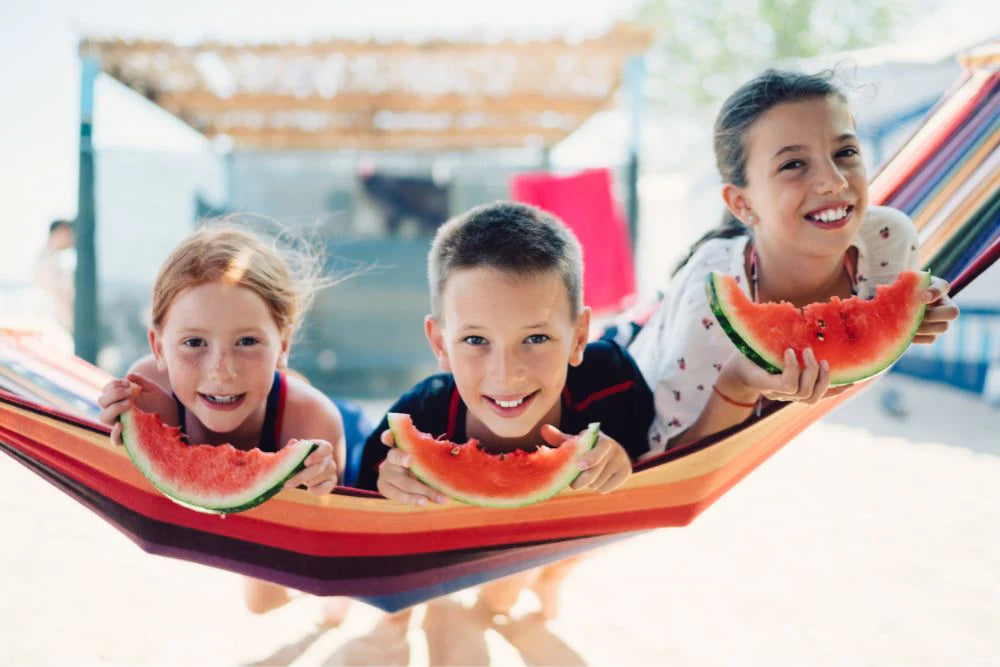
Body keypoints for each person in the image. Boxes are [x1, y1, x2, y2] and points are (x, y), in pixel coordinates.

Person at [347, 201, 654, 663]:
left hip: (567, 537)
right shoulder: (420, 416)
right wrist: (385, 487)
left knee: (517, 589)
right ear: (439, 344)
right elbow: (356, 516)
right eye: (475, 341)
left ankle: (540, 584)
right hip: (456, 554)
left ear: (577, 337)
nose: (505, 374)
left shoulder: (613, 386)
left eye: (535, 338)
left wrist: (626, 456)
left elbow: (660, 460)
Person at [628, 69, 960, 454]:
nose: (834, 181)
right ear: (742, 203)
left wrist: (908, 315)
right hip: (632, 367)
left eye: (845, 153)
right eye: (793, 165)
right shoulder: (710, 305)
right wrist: (738, 384)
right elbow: (664, 461)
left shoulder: (890, 241)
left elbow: (867, 348)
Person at [94, 222, 348, 624]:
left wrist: (318, 488)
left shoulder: (314, 420)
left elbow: (329, 528)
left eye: (247, 342)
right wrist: (128, 427)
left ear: (283, 345)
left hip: (322, 426)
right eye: (194, 343)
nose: (222, 372)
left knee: (268, 598)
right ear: (158, 347)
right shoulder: (145, 390)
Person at [33, 219, 76, 339]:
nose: (71, 239)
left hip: (58, 329)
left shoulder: (53, 260)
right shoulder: (46, 263)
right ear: (59, 232)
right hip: (55, 330)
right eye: (68, 234)